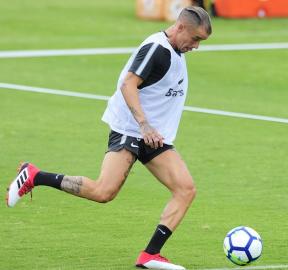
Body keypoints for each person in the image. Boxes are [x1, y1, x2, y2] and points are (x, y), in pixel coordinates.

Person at [6, 6, 212, 270]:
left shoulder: (174, 49)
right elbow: (127, 84)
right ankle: (34, 175)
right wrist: (143, 124)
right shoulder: (157, 49)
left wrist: (150, 129)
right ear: (180, 27)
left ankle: (150, 255)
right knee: (103, 191)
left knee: (185, 189)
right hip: (132, 130)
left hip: (153, 138)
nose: (196, 46)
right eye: (195, 39)